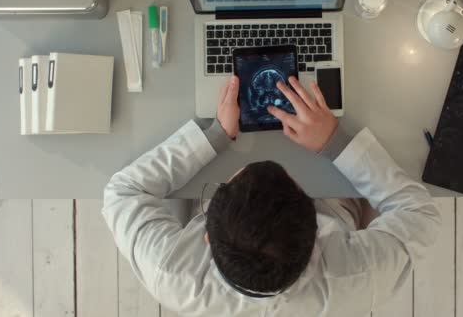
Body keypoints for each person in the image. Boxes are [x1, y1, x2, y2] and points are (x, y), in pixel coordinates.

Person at [102, 75, 441, 316]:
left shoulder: (172, 273)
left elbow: (122, 191)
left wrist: (214, 137)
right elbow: (421, 213)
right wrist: (334, 142)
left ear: (207, 236)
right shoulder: (358, 279)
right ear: (317, 233)